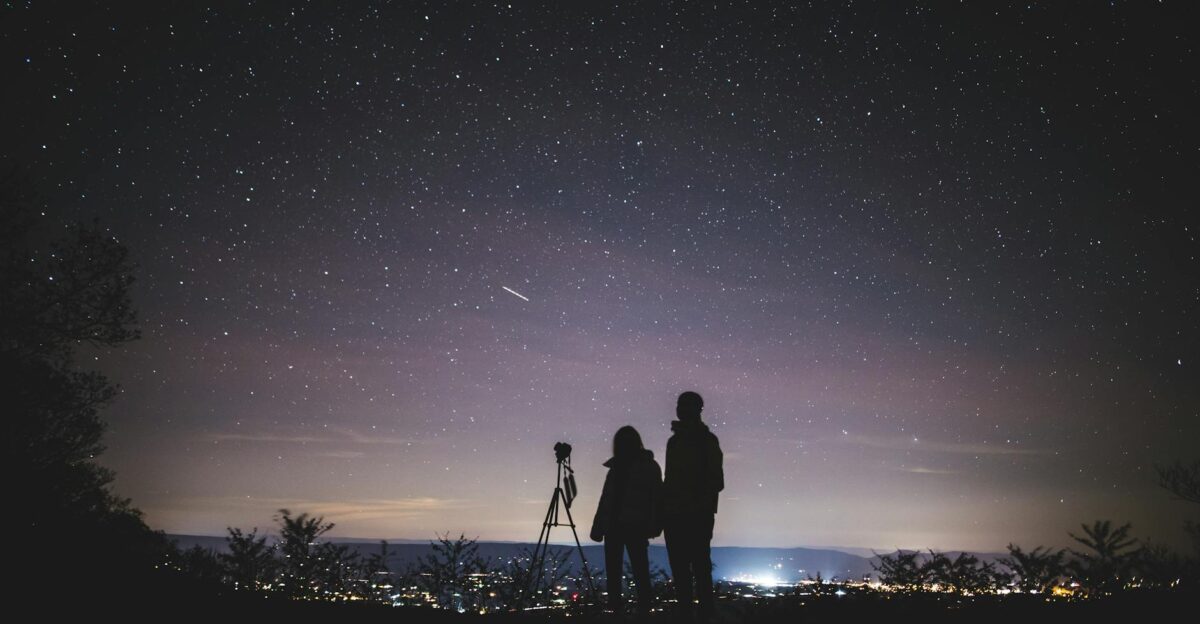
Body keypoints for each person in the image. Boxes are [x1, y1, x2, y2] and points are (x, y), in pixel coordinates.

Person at [662, 391, 723, 621]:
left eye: (684, 406)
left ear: (697, 410)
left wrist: (689, 498)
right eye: (679, 405)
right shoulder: (676, 442)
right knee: (686, 570)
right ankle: (690, 615)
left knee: (697, 568)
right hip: (681, 515)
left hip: (694, 515)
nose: (680, 409)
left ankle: (701, 615)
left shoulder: (705, 441)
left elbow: (716, 480)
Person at [590, 425, 663, 615]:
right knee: (627, 569)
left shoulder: (643, 467)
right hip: (622, 525)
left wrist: (655, 524)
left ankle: (639, 608)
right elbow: (606, 499)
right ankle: (624, 607)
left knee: (636, 569)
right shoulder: (624, 468)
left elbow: (656, 497)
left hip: (632, 525)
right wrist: (599, 525)